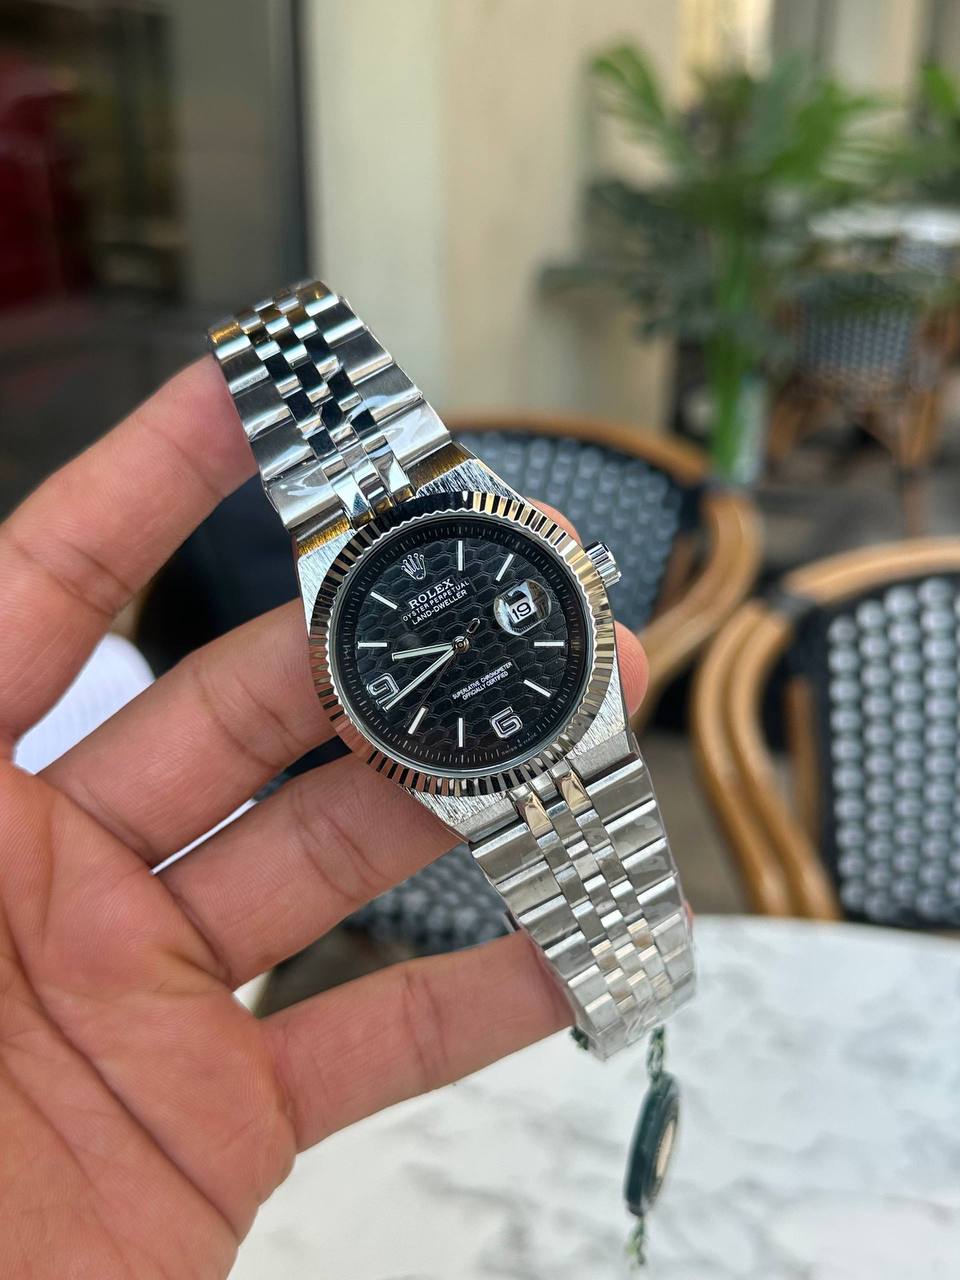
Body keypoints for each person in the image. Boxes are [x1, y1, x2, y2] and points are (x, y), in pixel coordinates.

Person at [0, 357, 647, 1276]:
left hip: (538, 716)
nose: (464, 639)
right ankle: (640, 979)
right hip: (463, 745)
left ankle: (644, 974)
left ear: (583, 576)